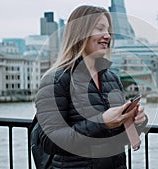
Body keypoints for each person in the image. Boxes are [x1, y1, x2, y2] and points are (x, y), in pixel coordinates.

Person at [35, 5, 147, 169]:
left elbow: (119, 138)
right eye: (100, 28)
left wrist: (135, 121)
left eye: (108, 30)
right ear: (80, 33)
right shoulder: (55, 80)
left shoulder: (112, 78)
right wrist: (101, 123)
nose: (107, 36)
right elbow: (49, 141)